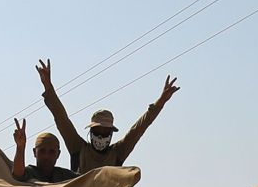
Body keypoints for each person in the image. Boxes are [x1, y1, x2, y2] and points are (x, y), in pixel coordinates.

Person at [35, 60, 178, 176]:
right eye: (98, 131)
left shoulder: (118, 152)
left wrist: (161, 102)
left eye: (105, 133)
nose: (101, 136)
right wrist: (48, 87)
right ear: (91, 132)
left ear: (110, 134)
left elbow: (140, 127)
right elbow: (61, 119)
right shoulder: (78, 148)